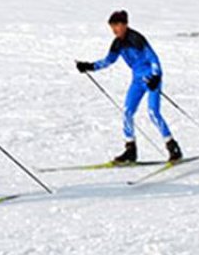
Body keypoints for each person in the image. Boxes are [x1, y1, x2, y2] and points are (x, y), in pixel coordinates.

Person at [76, 10, 183, 163]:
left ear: (124, 25)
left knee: (153, 112)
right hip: (137, 81)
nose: (114, 30)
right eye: (112, 27)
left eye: (116, 26)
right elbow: (108, 60)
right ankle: (130, 150)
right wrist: (89, 66)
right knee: (127, 112)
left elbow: (153, 59)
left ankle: (173, 147)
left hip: (151, 79)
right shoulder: (118, 43)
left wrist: (156, 76)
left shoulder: (136, 39)